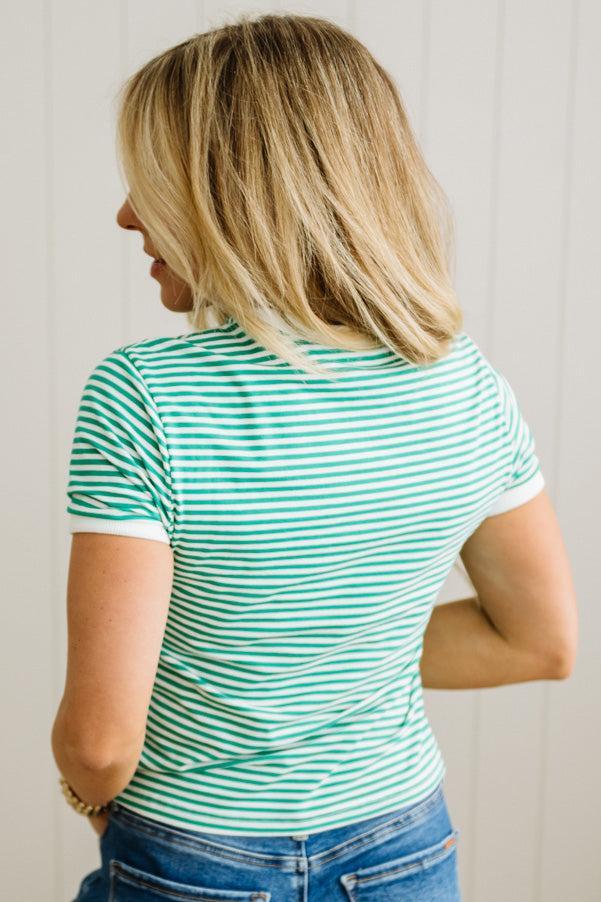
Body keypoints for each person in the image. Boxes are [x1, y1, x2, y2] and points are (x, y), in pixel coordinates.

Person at [51, 13, 578, 902]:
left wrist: (88, 796)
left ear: (229, 193)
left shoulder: (145, 394)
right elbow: (537, 641)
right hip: (405, 846)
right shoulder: (465, 385)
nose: (126, 214)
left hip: (197, 855)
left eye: (151, 182)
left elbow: (100, 744)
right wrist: (325, 661)